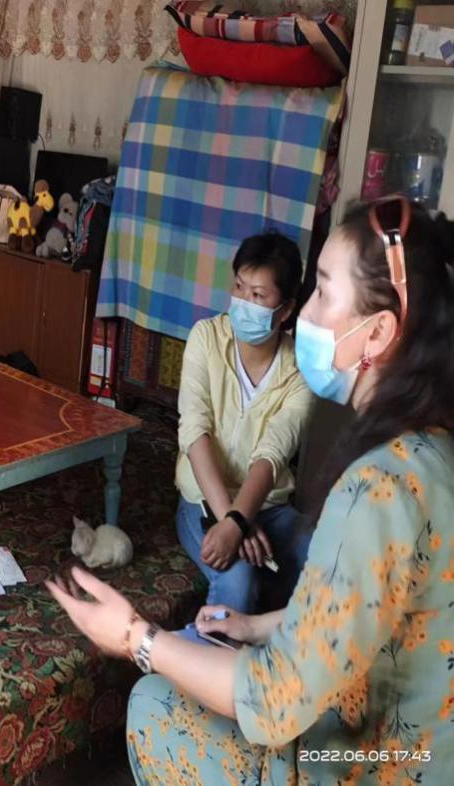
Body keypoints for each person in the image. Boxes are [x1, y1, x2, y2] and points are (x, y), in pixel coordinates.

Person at [47, 196, 454, 783]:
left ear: (379, 331)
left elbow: (274, 701)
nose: (308, 312)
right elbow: (351, 611)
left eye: (323, 292)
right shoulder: (434, 450)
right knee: (242, 591)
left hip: (366, 764)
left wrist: (137, 637)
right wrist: (255, 626)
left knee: (153, 702)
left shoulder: (374, 489)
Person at [175, 232, 313, 619]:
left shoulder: (301, 370)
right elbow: (194, 431)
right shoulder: (205, 338)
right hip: (203, 501)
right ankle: (218, 658)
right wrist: (232, 520)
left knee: (323, 551)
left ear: (285, 309)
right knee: (237, 580)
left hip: (270, 507)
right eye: (239, 287)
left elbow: (273, 453)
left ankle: (287, 649)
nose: (242, 302)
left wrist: (241, 518)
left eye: (258, 295)